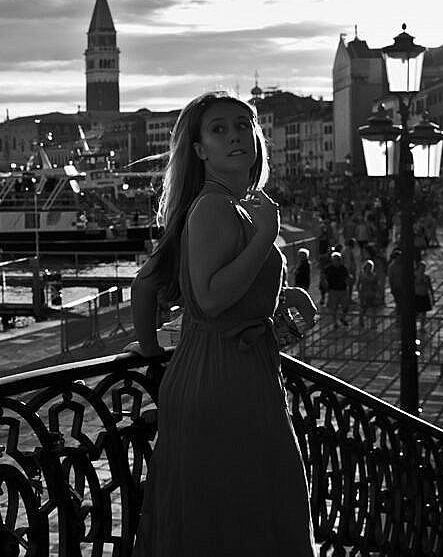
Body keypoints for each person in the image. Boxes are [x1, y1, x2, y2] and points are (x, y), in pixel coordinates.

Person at [126, 91, 316, 556]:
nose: (235, 135)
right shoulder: (215, 206)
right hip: (222, 379)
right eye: (219, 129)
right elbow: (210, 300)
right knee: (243, 512)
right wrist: (266, 239)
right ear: (199, 150)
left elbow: (147, 283)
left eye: (242, 124)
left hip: (226, 370)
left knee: (230, 512)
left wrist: (274, 302)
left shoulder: (226, 204)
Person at [320, 251, 353, 328]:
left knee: (346, 307)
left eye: (338, 259)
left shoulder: (343, 268)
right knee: (334, 307)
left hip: (343, 289)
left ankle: (342, 318)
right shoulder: (329, 268)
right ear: (332, 260)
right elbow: (323, 276)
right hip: (333, 290)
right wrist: (324, 284)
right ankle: (335, 323)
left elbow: (348, 277)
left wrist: (350, 279)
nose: (337, 261)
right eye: (335, 259)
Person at [355, 259, 384, 329]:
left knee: (373, 309)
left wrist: (379, 292)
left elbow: (377, 285)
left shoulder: (374, 276)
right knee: (363, 309)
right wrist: (359, 292)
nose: (368, 269)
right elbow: (358, 285)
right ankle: (361, 321)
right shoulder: (362, 275)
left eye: (370, 267)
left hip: (372, 294)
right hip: (364, 294)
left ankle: (372, 324)